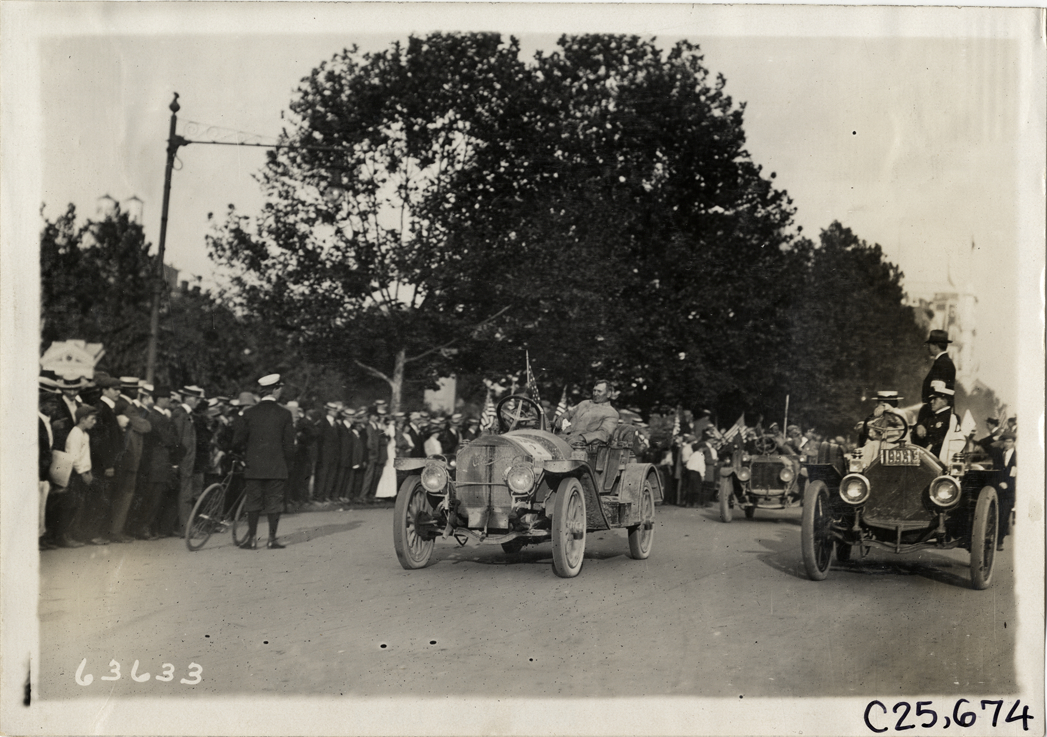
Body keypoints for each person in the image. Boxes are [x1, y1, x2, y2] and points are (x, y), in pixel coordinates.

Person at [233, 374, 295, 550]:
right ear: (275, 389)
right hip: (276, 466)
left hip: (253, 466)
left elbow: (238, 441)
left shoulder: (249, 413)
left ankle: (252, 539)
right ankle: (271, 539)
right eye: (280, 387)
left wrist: (243, 457)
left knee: (253, 501)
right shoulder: (285, 414)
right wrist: (288, 464)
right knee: (274, 501)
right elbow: (289, 445)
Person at [556, 380, 620, 447]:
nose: (595, 394)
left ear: (608, 394)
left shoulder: (612, 413)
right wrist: (561, 418)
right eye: (594, 390)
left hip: (581, 446)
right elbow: (569, 414)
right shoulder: (584, 403)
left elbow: (604, 434)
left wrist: (581, 438)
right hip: (561, 438)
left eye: (599, 391)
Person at [912, 380, 956, 458]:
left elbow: (951, 439)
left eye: (935, 399)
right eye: (931, 399)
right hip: (926, 457)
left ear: (944, 400)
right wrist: (919, 426)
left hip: (941, 458)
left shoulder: (952, 417)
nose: (931, 402)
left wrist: (932, 445)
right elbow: (918, 425)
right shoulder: (931, 417)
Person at [992, 431, 1016, 551]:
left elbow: (1016, 475)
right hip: (998, 489)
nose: (1007, 444)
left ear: (1013, 442)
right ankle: (995, 539)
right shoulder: (999, 453)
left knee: (1004, 516)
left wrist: (1008, 484)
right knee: (996, 515)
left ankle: (999, 542)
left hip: (1009, 491)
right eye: (1005, 441)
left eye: (1009, 441)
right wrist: (999, 483)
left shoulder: (1017, 456)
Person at [374, 416, 398, 500]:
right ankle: (382, 493)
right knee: (386, 472)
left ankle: (390, 493)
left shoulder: (388, 432)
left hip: (392, 454)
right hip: (387, 454)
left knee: (391, 473)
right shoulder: (384, 432)